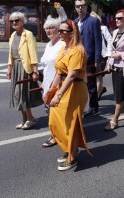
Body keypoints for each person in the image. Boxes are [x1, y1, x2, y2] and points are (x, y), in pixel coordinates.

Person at [48, 20, 92, 171]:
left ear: (72, 33)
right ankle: (69, 148)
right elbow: (59, 72)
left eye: (62, 31)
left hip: (75, 90)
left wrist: (58, 96)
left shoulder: (77, 51)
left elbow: (71, 75)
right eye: (58, 30)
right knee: (57, 119)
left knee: (71, 124)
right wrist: (51, 90)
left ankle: (72, 157)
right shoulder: (64, 48)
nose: (58, 33)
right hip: (64, 89)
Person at [7, 12, 42, 130]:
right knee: (16, 95)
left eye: (17, 20)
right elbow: (10, 54)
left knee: (22, 95)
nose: (14, 23)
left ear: (23, 22)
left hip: (24, 68)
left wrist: (35, 71)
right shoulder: (12, 35)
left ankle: (30, 118)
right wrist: (9, 68)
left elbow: (33, 54)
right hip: (16, 68)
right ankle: (24, 119)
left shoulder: (28, 34)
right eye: (11, 21)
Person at [74, 0, 102, 118]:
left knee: (91, 84)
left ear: (87, 7)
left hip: (89, 58)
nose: (80, 8)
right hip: (76, 58)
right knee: (79, 83)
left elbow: (98, 41)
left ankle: (93, 107)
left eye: (83, 6)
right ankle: (80, 106)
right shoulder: (74, 22)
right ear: (75, 8)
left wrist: (97, 59)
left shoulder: (93, 21)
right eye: (78, 6)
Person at [40, 17, 65, 147]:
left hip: (57, 83)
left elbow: (61, 67)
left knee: (54, 112)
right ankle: (57, 133)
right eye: (47, 28)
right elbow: (46, 66)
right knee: (49, 111)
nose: (49, 30)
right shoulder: (48, 45)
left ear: (58, 30)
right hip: (47, 82)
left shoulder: (62, 44)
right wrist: (44, 82)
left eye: (52, 28)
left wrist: (54, 85)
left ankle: (55, 136)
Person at [90, 11, 112, 100]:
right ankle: (101, 89)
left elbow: (110, 40)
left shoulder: (103, 28)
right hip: (91, 55)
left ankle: (97, 95)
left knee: (99, 75)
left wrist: (109, 54)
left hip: (101, 55)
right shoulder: (87, 28)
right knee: (92, 76)